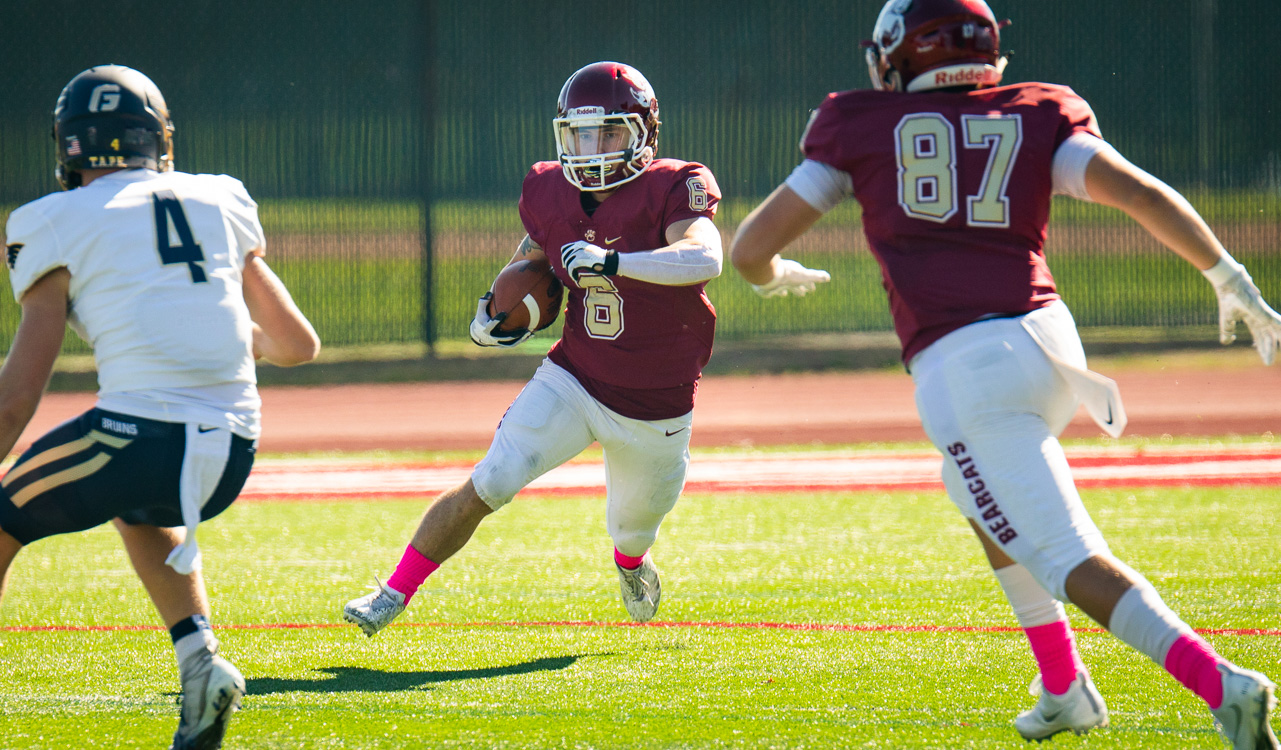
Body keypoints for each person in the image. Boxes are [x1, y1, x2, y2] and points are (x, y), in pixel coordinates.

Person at [730, 1, 1280, 747]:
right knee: (976, 496)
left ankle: (1222, 684)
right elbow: (1142, 192)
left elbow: (749, 248)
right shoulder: (1036, 111)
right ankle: (1063, 688)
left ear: (900, 54)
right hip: (1048, 342)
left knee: (1064, 555)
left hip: (967, 367)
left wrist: (767, 275)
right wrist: (1231, 279)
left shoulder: (856, 124)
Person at [0, 65, 320, 750]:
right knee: (137, 509)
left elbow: (19, 392)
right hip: (232, 448)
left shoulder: (52, 219)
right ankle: (200, 666)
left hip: (139, 437)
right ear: (156, 139)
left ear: (68, 146)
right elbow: (295, 344)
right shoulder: (217, 197)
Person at [344, 61, 818, 637]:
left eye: (610, 132)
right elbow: (533, 258)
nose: (593, 148)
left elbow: (705, 257)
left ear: (645, 134)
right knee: (491, 480)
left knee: (633, 526)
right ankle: (392, 593)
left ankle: (631, 563)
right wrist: (492, 315)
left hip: (657, 402)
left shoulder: (677, 183)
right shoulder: (548, 187)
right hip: (575, 376)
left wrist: (616, 262)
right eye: (581, 133)